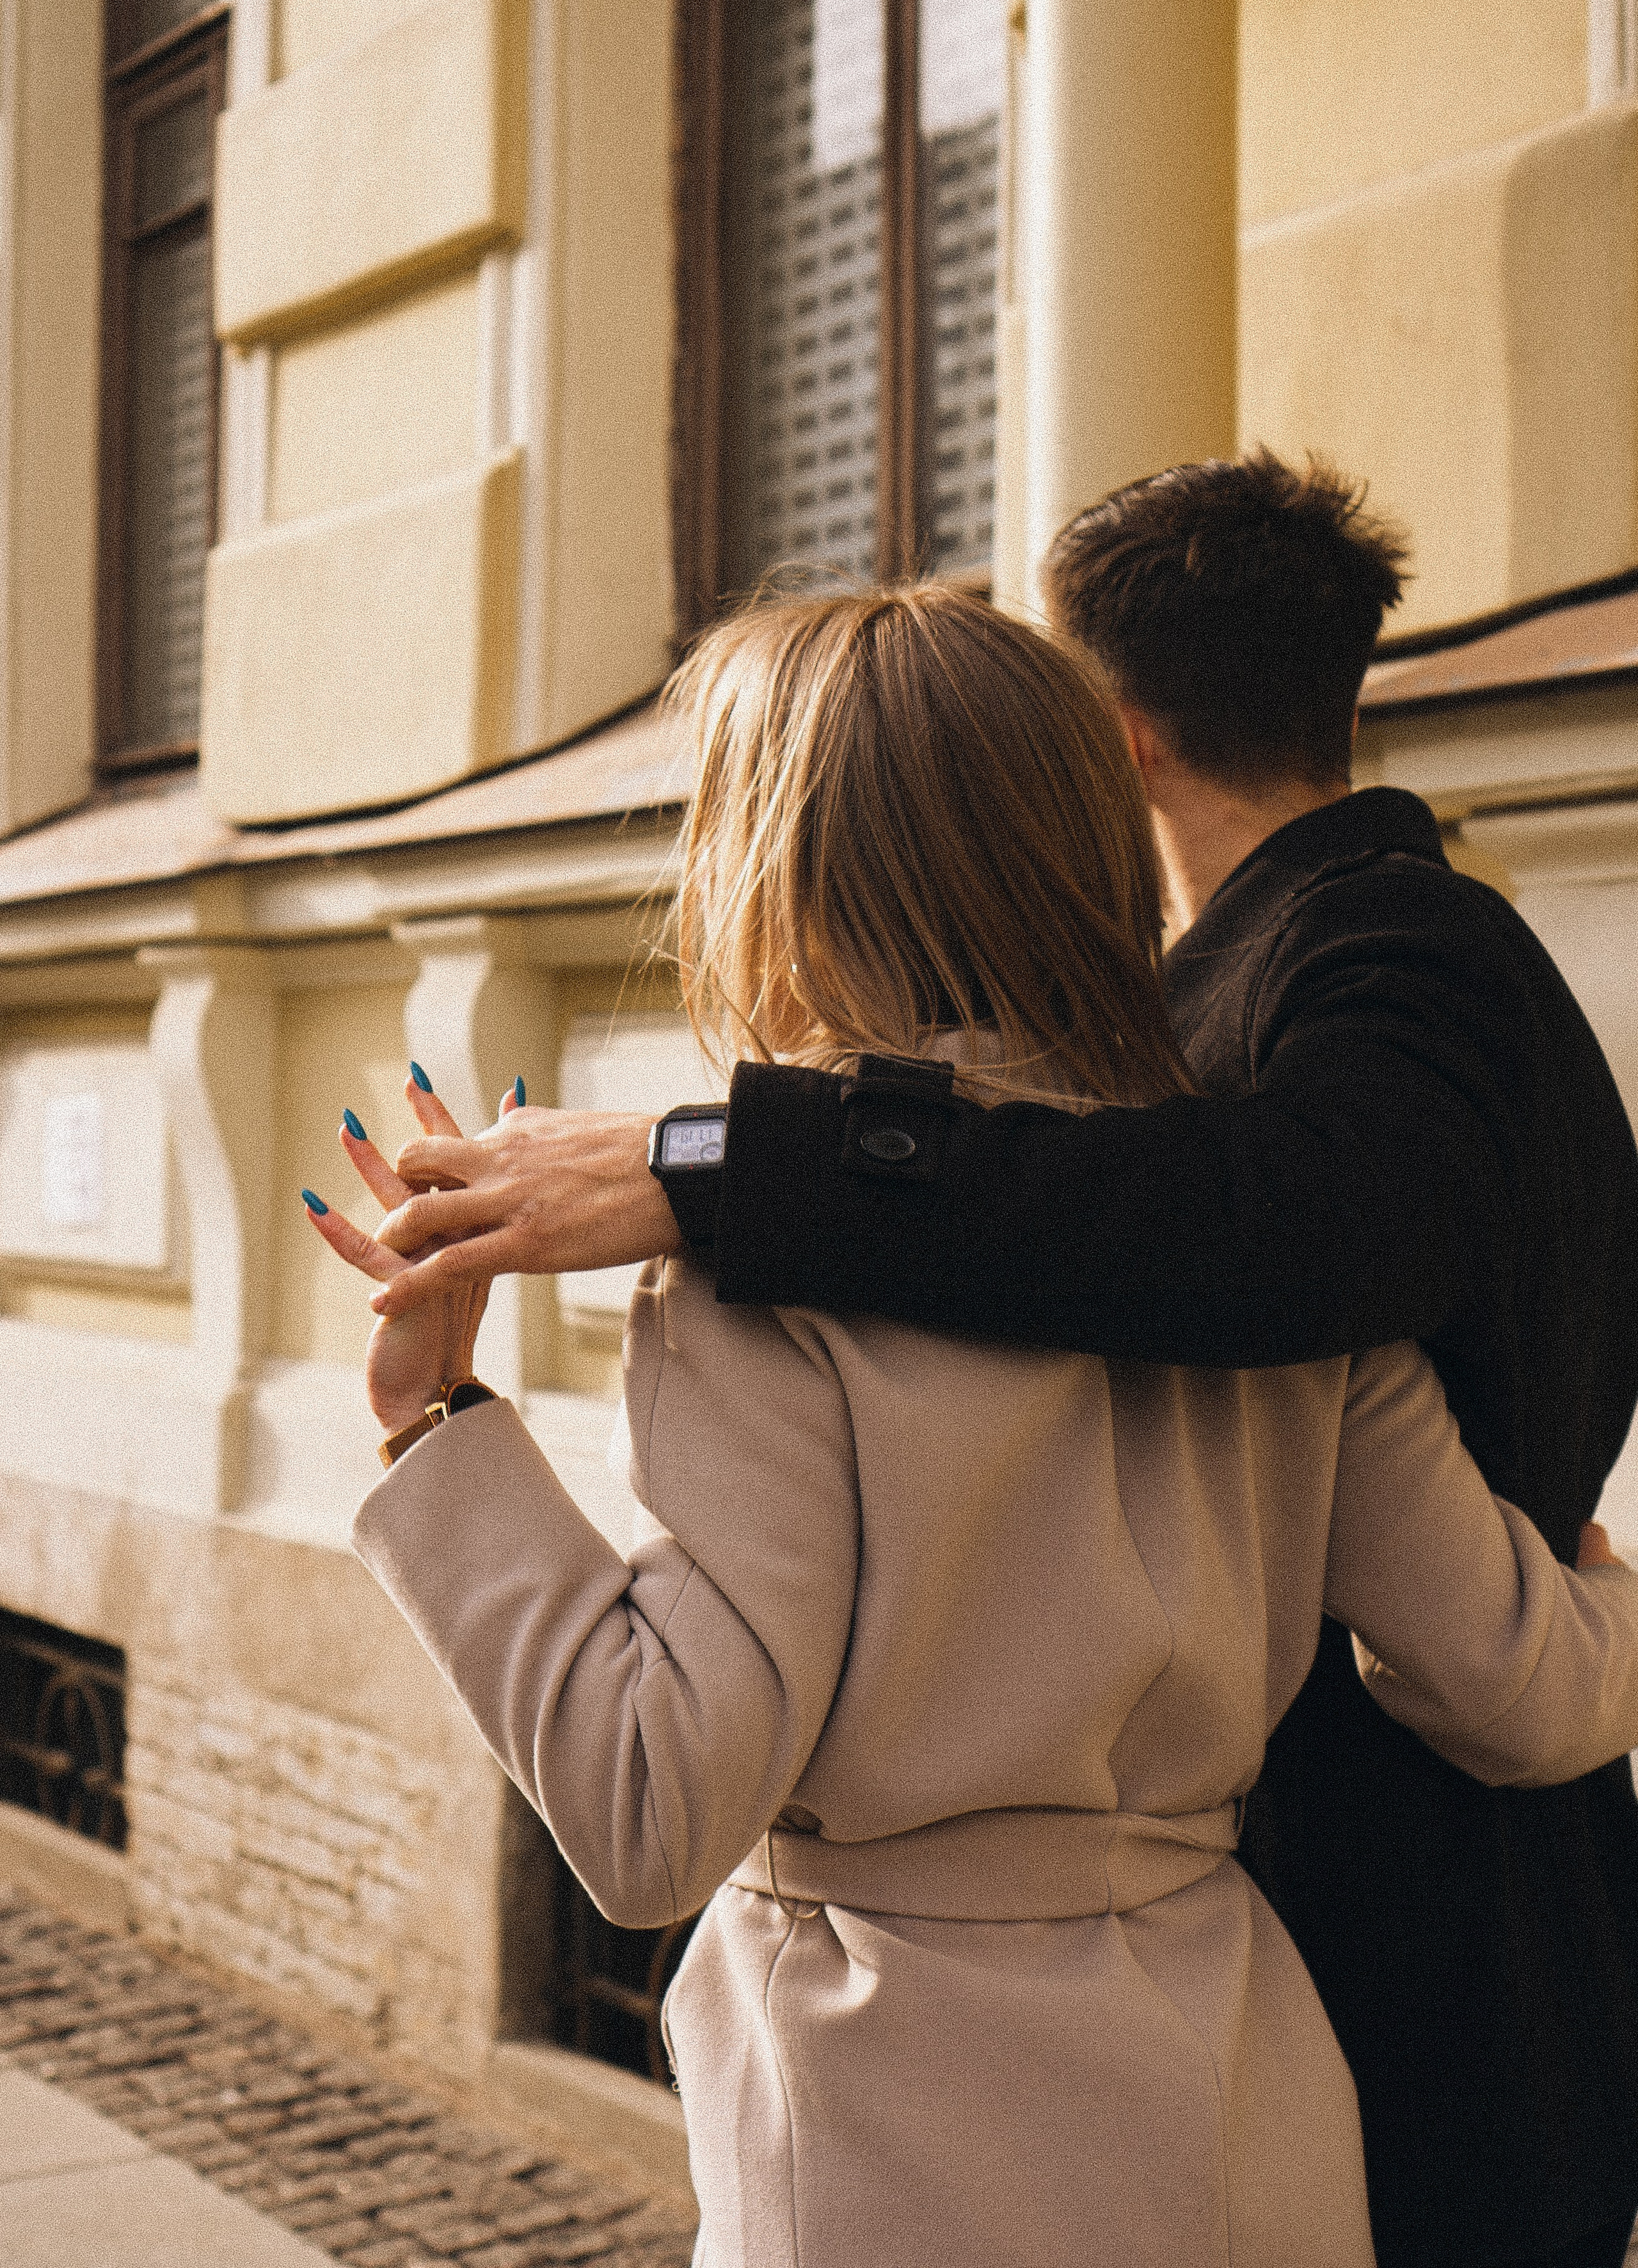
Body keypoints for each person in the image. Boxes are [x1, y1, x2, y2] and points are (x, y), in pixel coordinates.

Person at [362, 458, 1638, 2268]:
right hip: (1245, 2093)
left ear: (778, 876)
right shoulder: (1256, 1242)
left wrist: (438, 1430)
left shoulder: (776, 1279)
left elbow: (654, 1809)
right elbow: (1518, 1679)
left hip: (896, 2123)